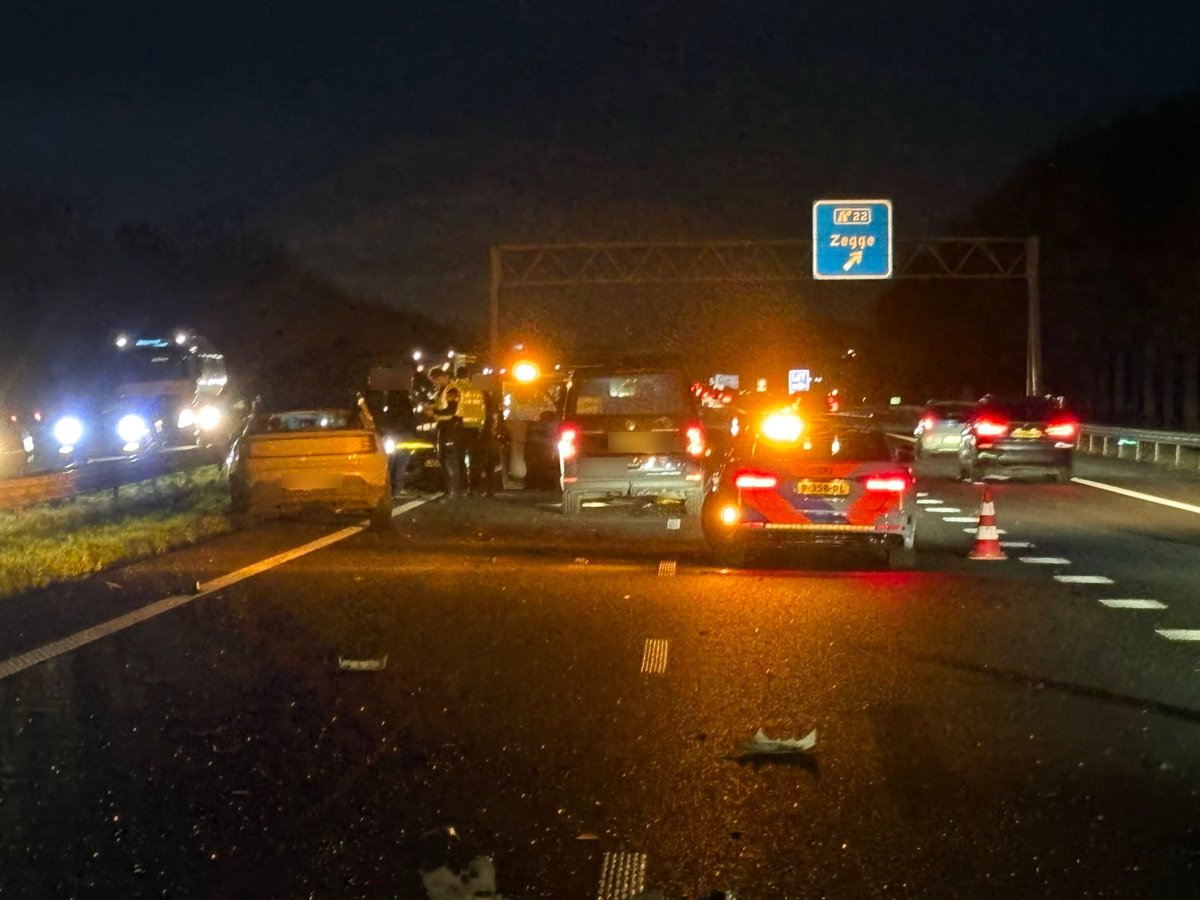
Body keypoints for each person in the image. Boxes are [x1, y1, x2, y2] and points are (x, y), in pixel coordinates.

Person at [427, 367, 466, 497]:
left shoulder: (452, 390)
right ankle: (450, 490)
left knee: (450, 459)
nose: (434, 383)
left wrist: (434, 412)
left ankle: (453, 491)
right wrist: (431, 408)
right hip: (444, 426)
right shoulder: (443, 390)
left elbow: (451, 411)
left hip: (451, 427)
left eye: (435, 380)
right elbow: (441, 406)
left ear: (442, 377)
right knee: (443, 458)